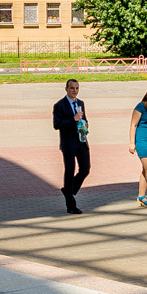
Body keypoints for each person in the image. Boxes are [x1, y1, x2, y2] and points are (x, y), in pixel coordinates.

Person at [52, 79, 90, 214]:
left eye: (77, 88)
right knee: (70, 170)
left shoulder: (80, 103)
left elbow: (84, 119)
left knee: (85, 169)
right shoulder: (59, 105)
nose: (75, 91)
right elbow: (57, 124)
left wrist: (85, 126)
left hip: (81, 141)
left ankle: (69, 191)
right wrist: (72, 120)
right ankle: (71, 205)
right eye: (72, 88)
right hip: (68, 143)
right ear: (66, 89)